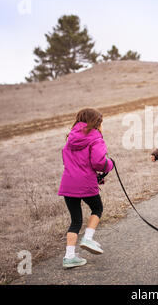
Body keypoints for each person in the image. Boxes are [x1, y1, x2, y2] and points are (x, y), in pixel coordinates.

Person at [58, 108, 114, 268]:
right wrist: (110, 164)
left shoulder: (70, 138)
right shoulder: (96, 138)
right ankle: (88, 238)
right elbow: (98, 162)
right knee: (97, 208)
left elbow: (66, 160)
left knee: (75, 220)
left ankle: (69, 257)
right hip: (85, 183)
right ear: (97, 123)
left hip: (68, 183)